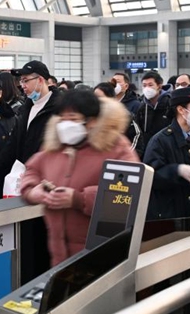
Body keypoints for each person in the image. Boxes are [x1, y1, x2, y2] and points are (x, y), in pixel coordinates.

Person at [20, 90, 139, 266]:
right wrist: (32, 191)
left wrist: (78, 199)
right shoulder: (55, 146)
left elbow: (125, 195)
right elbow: (32, 170)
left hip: (102, 256)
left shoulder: (115, 147)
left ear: (91, 121)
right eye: (62, 118)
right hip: (59, 256)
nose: (66, 124)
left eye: (73, 119)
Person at [0, 60, 60, 281]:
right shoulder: (27, 107)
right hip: (28, 183)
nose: (22, 85)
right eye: (20, 81)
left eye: (25, 80)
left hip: (49, 185)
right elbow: (14, 144)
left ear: (41, 80)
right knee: (28, 238)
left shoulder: (60, 107)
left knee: (44, 241)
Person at [143, 87, 190, 220]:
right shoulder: (160, 141)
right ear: (181, 110)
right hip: (170, 214)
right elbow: (150, 176)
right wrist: (176, 170)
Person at [94, 82, 144, 158]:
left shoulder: (125, 117)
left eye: (100, 98)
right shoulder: (91, 118)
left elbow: (136, 143)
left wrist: (121, 160)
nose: (96, 101)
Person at [135, 70, 172, 152]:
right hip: (147, 148)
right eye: (144, 85)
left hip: (167, 148)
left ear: (159, 86)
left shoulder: (170, 103)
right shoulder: (142, 106)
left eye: (150, 85)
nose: (147, 88)